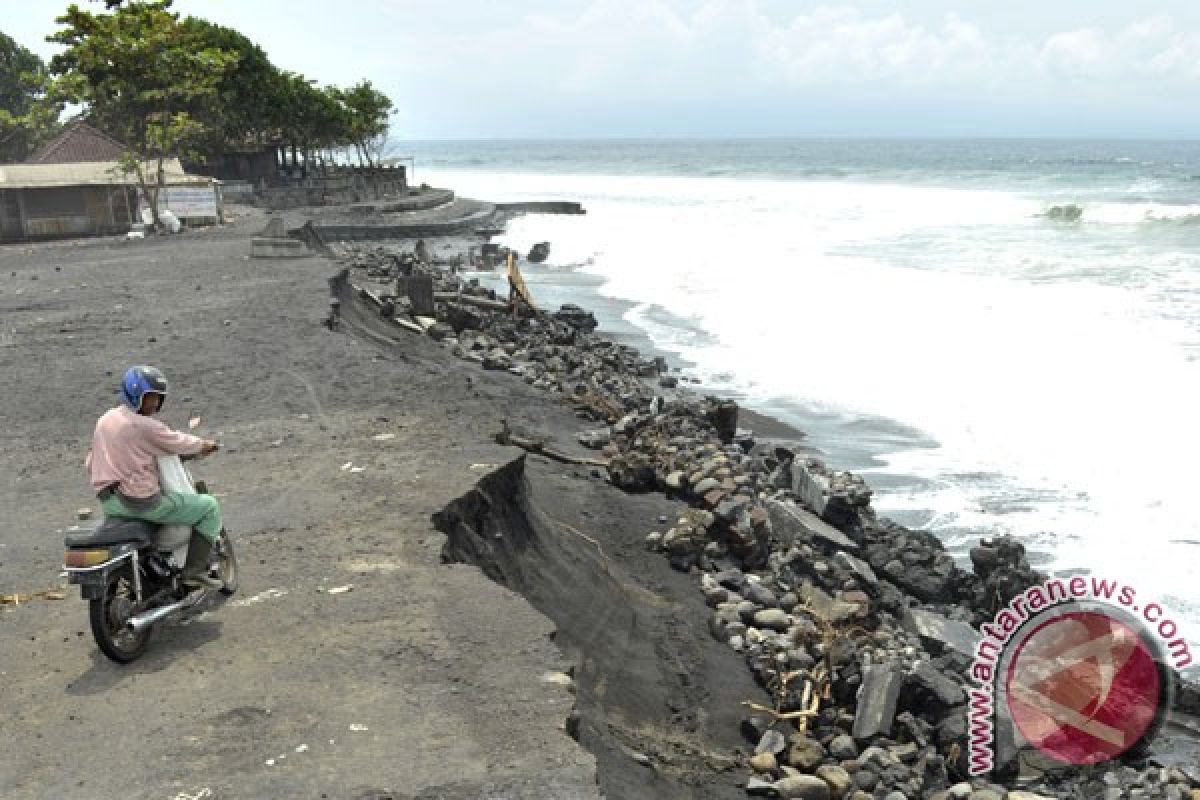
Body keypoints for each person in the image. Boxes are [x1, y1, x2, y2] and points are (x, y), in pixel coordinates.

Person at [85, 366, 223, 589]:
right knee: (209, 507)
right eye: (149, 398)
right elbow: (179, 442)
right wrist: (205, 445)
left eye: (157, 398)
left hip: (110, 502)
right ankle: (193, 572)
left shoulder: (105, 420)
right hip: (140, 504)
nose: (154, 404)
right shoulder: (145, 426)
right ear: (134, 395)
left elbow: (90, 461)